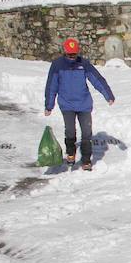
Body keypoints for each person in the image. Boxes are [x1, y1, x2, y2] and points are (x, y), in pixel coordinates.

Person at [43, 37, 115, 171]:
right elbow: (51, 85)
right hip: (67, 104)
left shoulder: (84, 64)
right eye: (69, 54)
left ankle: (86, 160)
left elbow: (97, 79)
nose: (72, 56)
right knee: (70, 131)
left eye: (74, 54)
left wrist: (108, 95)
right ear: (65, 52)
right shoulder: (57, 65)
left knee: (87, 133)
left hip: (84, 104)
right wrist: (49, 105)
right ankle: (71, 153)